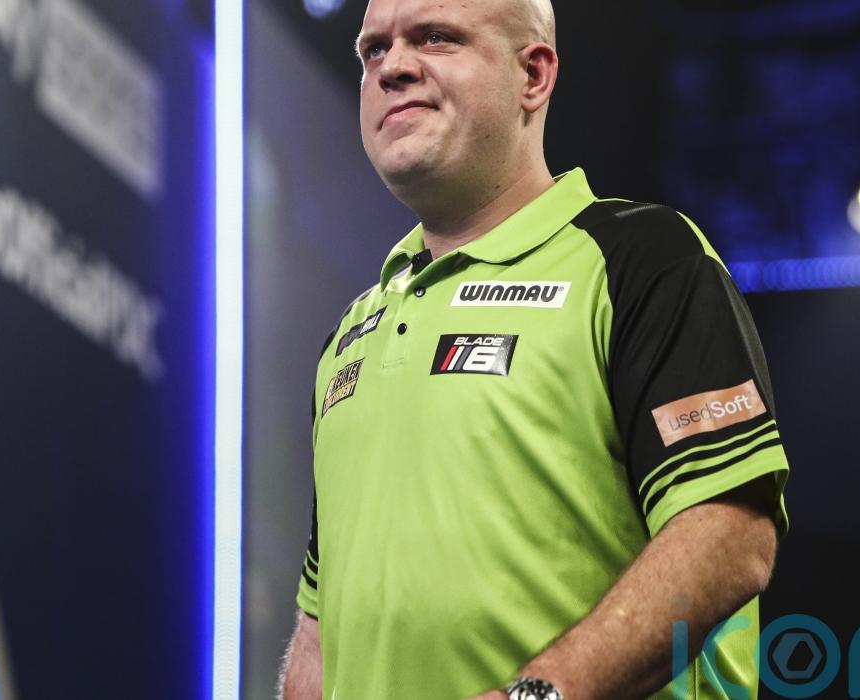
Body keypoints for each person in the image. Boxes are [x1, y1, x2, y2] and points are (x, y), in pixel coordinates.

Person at [279, 0, 790, 697]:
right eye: (373, 49)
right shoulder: (349, 336)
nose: (392, 67)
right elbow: (320, 628)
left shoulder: (642, 261)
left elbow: (729, 536)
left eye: (435, 37)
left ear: (533, 75)